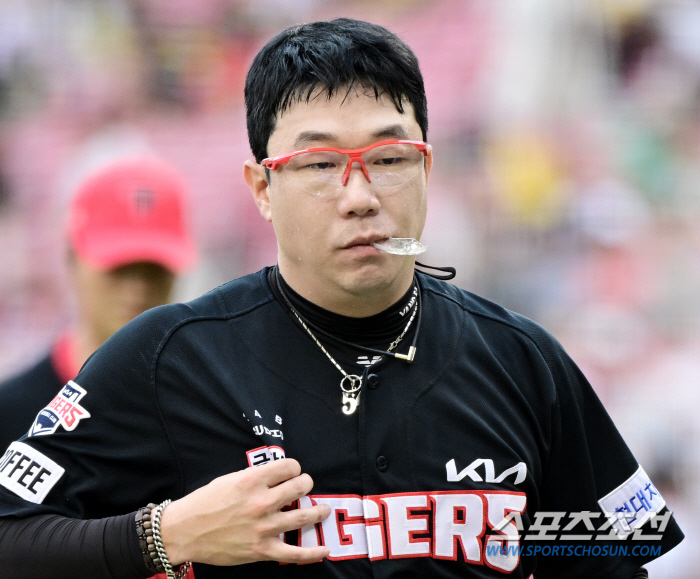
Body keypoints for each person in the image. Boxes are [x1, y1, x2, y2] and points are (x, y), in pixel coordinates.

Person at [0, 18, 683, 579]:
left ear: (426, 167)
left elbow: (613, 561)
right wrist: (165, 533)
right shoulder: (171, 358)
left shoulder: (524, 362)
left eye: (388, 158)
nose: (359, 196)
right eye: (320, 164)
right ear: (262, 188)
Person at [0, 155, 196, 450]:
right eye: (118, 267)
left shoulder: (206, 406)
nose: (137, 287)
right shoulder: (11, 414)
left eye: (154, 269)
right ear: (72, 257)